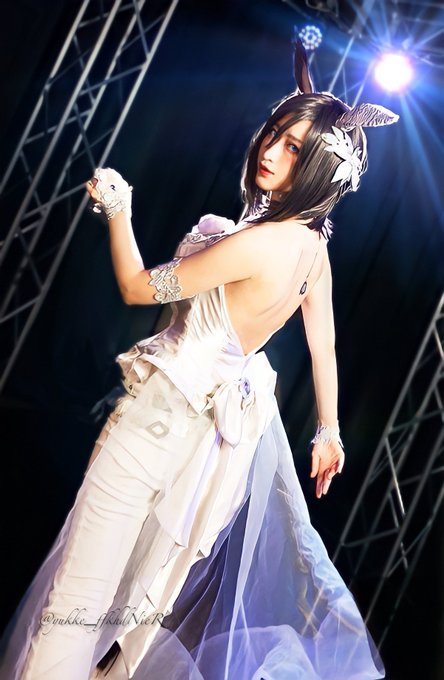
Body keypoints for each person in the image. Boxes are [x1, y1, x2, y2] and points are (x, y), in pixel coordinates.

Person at [0, 42, 398, 679]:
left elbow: (137, 287)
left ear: (322, 168)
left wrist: (119, 208)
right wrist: (329, 431)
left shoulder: (258, 245)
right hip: (206, 452)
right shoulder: (311, 251)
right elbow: (322, 342)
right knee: (128, 612)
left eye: (294, 148)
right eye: (274, 133)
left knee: (78, 602)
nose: (270, 150)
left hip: (157, 427)